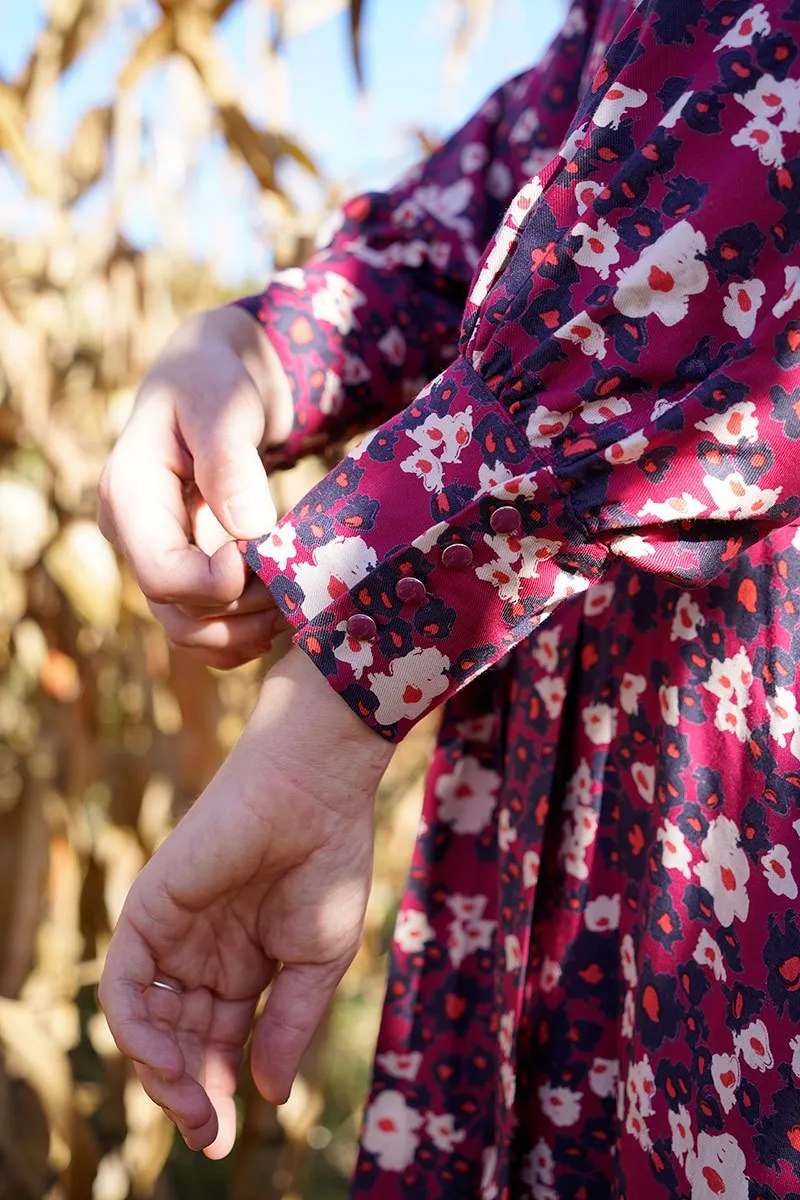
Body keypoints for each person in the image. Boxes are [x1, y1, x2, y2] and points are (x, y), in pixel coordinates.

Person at [97, 0, 800, 1194]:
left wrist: (334, 690)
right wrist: (265, 348)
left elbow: (737, 201)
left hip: (733, 772)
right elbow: (523, 188)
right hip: (598, 774)